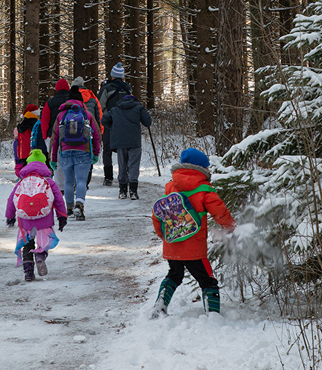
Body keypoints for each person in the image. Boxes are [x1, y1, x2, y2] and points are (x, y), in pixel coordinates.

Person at [151, 148, 235, 316]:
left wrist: (163, 236)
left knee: (174, 275)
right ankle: (213, 315)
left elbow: (157, 215)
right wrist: (232, 227)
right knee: (208, 280)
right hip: (195, 247)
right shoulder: (204, 189)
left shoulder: (170, 187)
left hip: (172, 243)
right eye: (207, 167)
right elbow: (220, 212)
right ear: (200, 168)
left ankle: (160, 305)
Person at [5, 148, 68, 282]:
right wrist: (62, 216)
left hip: (25, 220)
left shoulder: (22, 182)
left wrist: (9, 216)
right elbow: (58, 200)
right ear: (44, 165)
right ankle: (40, 256)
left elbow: (12, 200)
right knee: (43, 243)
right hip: (43, 219)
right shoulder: (49, 182)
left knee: (27, 245)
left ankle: (28, 273)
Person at [50, 84, 101, 221]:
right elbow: (96, 135)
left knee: (68, 182)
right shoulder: (86, 114)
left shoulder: (61, 115)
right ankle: (80, 205)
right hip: (83, 151)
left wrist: (53, 158)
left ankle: (70, 208)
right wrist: (96, 153)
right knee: (81, 181)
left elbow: (55, 138)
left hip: (65, 152)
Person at [102, 91, 151, 199]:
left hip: (120, 142)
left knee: (122, 165)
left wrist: (113, 127)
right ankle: (133, 191)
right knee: (133, 165)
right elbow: (148, 122)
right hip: (134, 141)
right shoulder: (138, 108)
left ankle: (122, 190)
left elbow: (104, 119)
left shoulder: (115, 109)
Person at [96, 62, 131, 185]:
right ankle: (125, 174)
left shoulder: (106, 88)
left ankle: (108, 177)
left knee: (107, 149)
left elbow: (100, 106)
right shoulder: (128, 89)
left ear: (112, 75)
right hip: (125, 123)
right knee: (124, 149)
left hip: (109, 123)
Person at [71, 76, 103, 190]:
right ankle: (85, 181)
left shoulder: (70, 98)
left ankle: (74, 181)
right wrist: (99, 133)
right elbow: (99, 117)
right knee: (88, 155)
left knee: (74, 154)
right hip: (90, 131)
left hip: (73, 131)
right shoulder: (93, 99)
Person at [40, 78, 70, 190]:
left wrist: (45, 136)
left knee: (56, 161)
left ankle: (60, 187)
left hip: (53, 136)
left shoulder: (50, 103)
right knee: (70, 160)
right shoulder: (73, 101)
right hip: (70, 135)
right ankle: (70, 184)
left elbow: (45, 121)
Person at [14, 104, 48, 176]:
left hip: (23, 154)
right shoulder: (35, 124)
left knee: (26, 174)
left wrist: (19, 155)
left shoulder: (21, 125)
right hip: (33, 153)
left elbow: (19, 142)